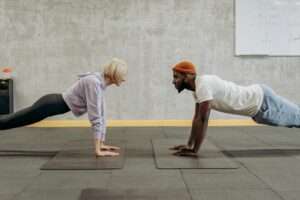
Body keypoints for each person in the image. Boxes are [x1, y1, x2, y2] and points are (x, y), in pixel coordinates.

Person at [0, 58, 128, 157]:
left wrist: (102, 143)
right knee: (11, 121)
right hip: (49, 105)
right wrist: (97, 150)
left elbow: (101, 113)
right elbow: (95, 117)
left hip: (51, 103)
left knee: (12, 120)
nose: (124, 79)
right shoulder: (94, 83)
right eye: (123, 75)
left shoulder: (99, 84)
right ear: (115, 75)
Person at [170, 60, 300, 157]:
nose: (173, 81)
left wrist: (194, 150)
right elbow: (197, 118)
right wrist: (189, 144)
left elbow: (203, 119)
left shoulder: (203, 85)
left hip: (264, 103)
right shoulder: (198, 89)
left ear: (188, 76)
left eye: (176, 77)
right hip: (260, 106)